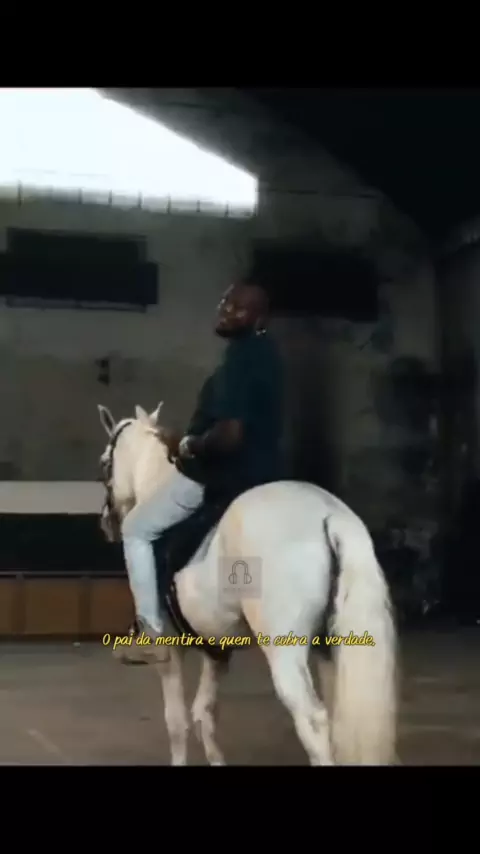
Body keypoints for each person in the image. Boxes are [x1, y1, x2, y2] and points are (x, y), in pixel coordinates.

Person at [120, 277, 285, 663]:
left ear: (260, 319)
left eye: (238, 307)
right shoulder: (270, 357)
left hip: (219, 475)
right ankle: (235, 621)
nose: (226, 310)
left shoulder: (240, 359)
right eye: (224, 302)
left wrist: (184, 444)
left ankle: (150, 630)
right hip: (264, 476)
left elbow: (230, 435)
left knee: (136, 529)